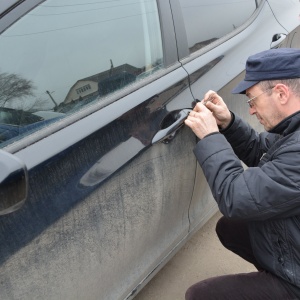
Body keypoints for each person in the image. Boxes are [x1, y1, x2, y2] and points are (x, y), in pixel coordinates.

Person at [184, 48, 300, 300]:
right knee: (231, 229)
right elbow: (266, 153)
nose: (251, 110)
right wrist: (227, 123)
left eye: (252, 100)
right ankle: (276, 277)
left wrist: (211, 137)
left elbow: (236, 198)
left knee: (200, 295)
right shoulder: (293, 128)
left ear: (281, 93)